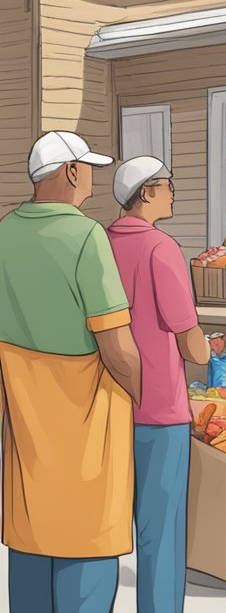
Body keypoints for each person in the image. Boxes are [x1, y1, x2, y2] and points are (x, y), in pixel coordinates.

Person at [0, 131, 141, 612]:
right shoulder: (86, 236)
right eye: (88, 171)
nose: (92, 183)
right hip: (88, 440)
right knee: (85, 568)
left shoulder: (4, 233)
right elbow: (117, 347)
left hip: (27, 438)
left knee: (30, 572)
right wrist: (142, 393)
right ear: (71, 172)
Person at [108, 156, 211, 612]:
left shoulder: (100, 244)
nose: (174, 193)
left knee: (106, 529)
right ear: (146, 192)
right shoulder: (161, 248)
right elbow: (189, 340)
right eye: (168, 185)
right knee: (160, 532)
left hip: (110, 406)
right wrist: (211, 351)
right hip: (160, 410)